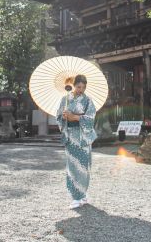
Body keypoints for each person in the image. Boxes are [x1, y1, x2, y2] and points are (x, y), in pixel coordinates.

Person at [56, 74, 97, 209]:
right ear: (73, 86)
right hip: (71, 138)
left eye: (83, 87)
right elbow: (58, 116)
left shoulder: (88, 101)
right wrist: (63, 117)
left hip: (83, 139)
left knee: (84, 167)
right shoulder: (65, 99)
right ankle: (76, 196)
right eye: (79, 87)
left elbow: (90, 119)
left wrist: (76, 117)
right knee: (73, 166)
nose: (81, 89)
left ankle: (83, 195)